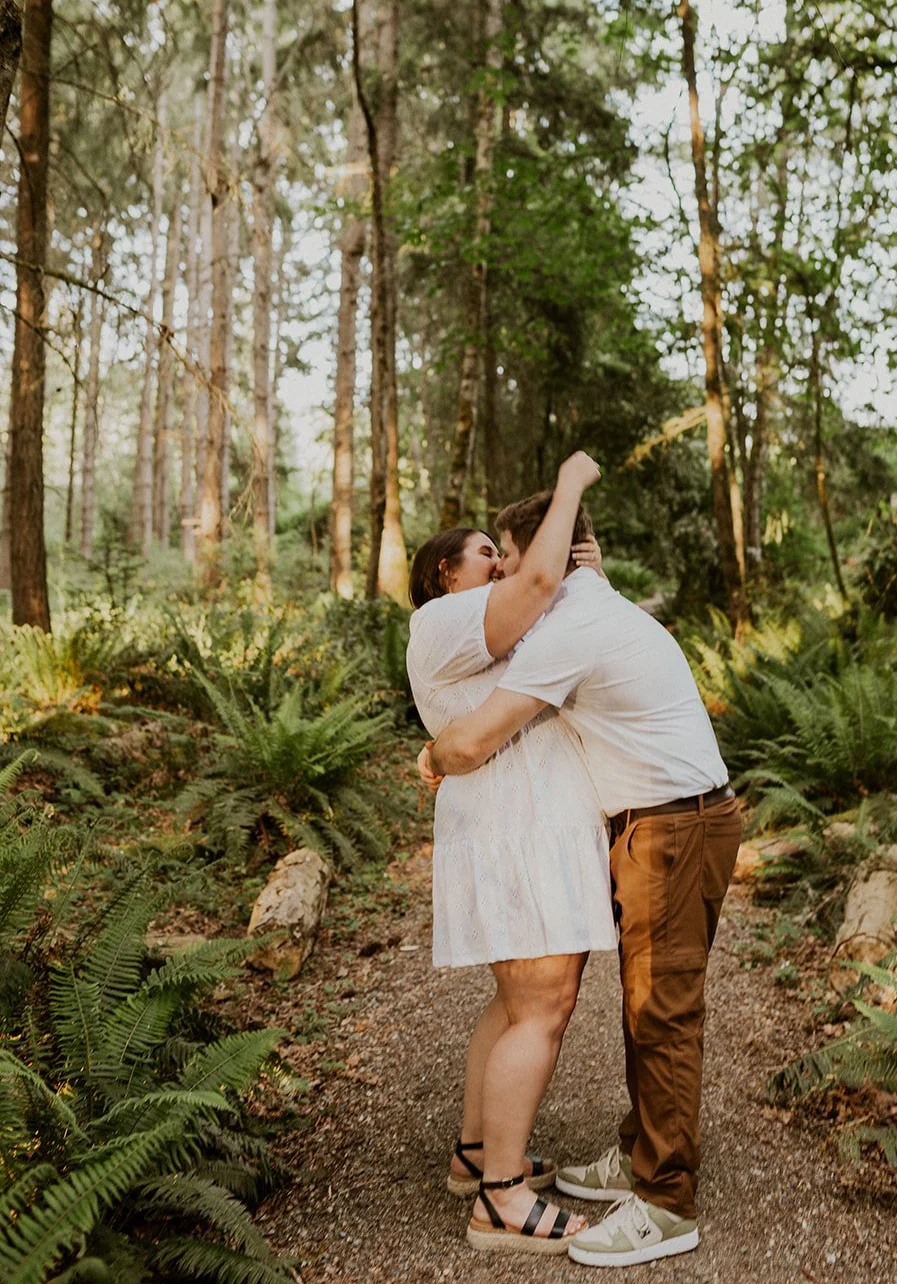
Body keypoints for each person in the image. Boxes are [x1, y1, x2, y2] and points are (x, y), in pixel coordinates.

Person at [423, 489, 742, 1269]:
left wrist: (435, 754)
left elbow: (479, 738)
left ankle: (665, 1202)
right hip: (653, 824)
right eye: (486, 557)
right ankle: (638, 1155)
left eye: (509, 554)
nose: (502, 571)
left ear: (542, 562)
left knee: (660, 1013)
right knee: (644, 1006)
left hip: (672, 823)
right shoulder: (584, 611)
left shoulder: (570, 627)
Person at [406, 452, 615, 1256]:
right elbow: (529, 590)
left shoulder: (489, 625)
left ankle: (474, 1154)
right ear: (443, 578)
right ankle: (502, 1201)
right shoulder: (442, 620)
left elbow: (551, 608)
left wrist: (582, 576)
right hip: (514, 831)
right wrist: (568, 486)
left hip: (522, 827)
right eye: (486, 555)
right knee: (541, 1008)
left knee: (512, 1004)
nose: (504, 563)